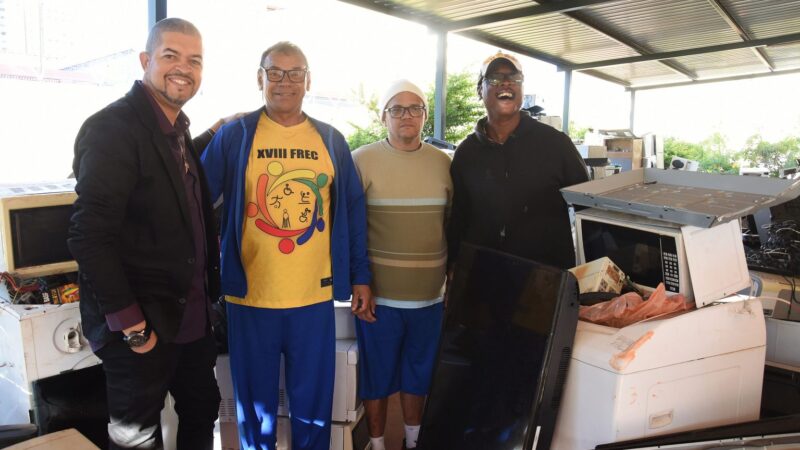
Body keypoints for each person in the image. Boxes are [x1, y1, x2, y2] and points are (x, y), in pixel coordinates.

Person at [201, 41, 372, 450]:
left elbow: (352, 210)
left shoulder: (331, 140)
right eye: (275, 72)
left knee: (312, 408)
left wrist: (361, 276)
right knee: (255, 413)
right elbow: (194, 199)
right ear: (259, 78)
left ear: (308, 81)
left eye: (295, 73)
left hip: (313, 300)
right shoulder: (236, 136)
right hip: (250, 299)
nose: (285, 81)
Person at [68, 18, 222, 450]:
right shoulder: (113, 128)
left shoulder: (177, 129)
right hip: (142, 329)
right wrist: (134, 328)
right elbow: (88, 237)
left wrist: (217, 129)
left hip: (191, 324)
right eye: (171, 55)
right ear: (145, 60)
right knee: (137, 437)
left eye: (194, 60)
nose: (183, 68)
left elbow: (168, 192)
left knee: (201, 414)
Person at [352, 80, 452, 450]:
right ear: (383, 116)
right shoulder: (361, 159)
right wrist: (358, 281)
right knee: (377, 377)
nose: (406, 116)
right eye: (397, 108)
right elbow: (349, 227)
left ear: (425, 115)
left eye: (415, 108)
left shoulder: (444, 163)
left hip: (430, 297)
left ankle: (413, 440)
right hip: (379, 298)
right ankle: (376, 443)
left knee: (419, 375)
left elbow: (453, 224)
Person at [447, 51, 589, 272]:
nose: (506, 83)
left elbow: (587, 208)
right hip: (482, 279)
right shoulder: (467, 153)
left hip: (545, 282)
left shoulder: (556, 144)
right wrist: (453, 268)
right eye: (494, 78)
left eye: (514, 78)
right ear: (480, 90)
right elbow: (458, 218)